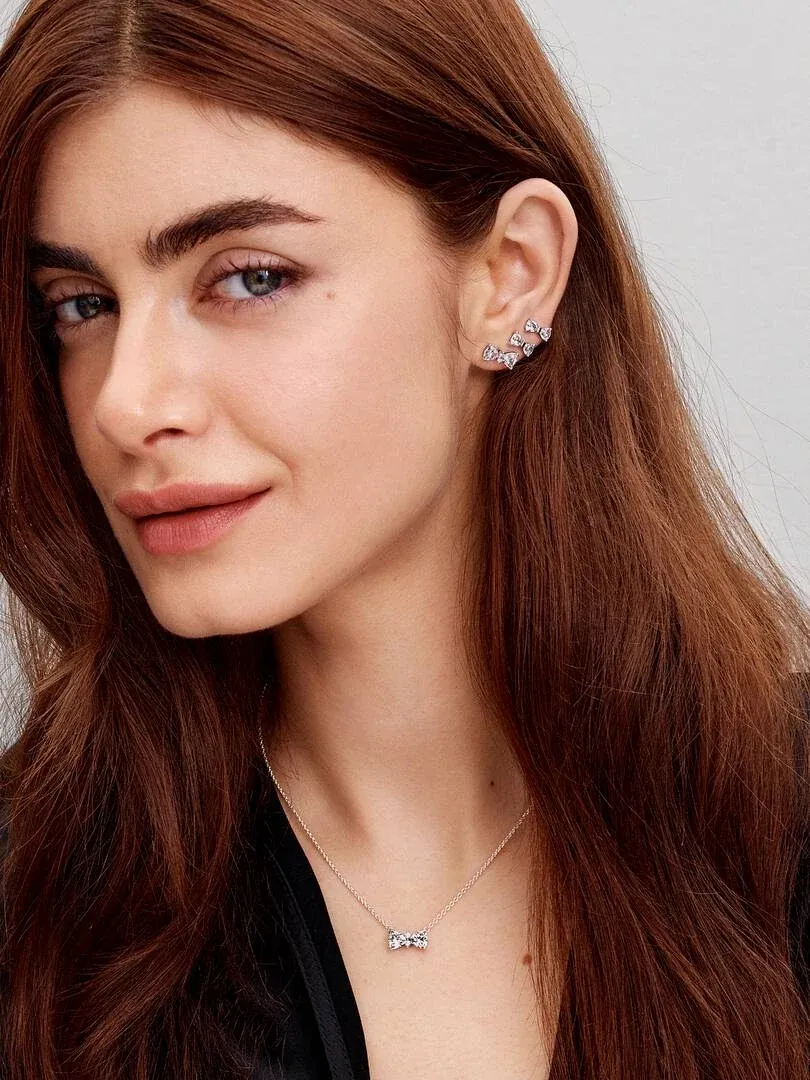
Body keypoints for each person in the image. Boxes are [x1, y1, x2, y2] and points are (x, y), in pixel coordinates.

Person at [0, 0, 806, 1077]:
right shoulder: (36, 909)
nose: (124, 404)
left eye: (250, 277)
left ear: (509, 273)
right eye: (81, 304)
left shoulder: (781, 827)